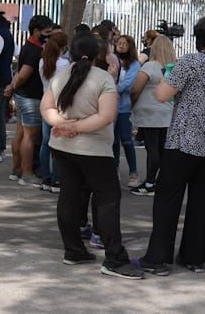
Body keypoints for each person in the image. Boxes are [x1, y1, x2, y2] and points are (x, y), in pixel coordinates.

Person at [141, 16, 205, 276]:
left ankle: (158, 258)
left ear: (198, 38)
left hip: (185, 139)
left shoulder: (189, 62)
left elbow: (162, 95)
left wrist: (170, 80)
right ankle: (194, 256)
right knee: (201, 198)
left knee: (168, 197)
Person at [41, 33, 144, 279]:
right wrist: (73, 127)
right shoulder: (103, 78)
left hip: (63, 147)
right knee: (107, 200)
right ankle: (114, 259)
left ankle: (73, 250)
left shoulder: (60, 76)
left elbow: (46, 107)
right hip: (94, 150)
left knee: (69, 197)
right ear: (99, 53)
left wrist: (62, 125)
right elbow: (107, 115)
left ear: (71, 52)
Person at [5, 15, 55, 186]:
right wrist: (13, 86)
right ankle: (26, 173)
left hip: (23, 96)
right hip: (30, 98)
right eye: (47, 32)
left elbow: (19, 73)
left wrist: (13, 87)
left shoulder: (30, 46)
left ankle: (16, 169)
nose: (49, 35)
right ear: (36, 31)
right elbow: (24, 74)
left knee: (20, 134)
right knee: (29, 137)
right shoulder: (35, 51)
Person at [129, 36, 176, 196]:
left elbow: (135, 88)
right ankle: (160, 181)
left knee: (152, 148)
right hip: (167, 112)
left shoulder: (150, 66)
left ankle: (149, 183)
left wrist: (132, 103)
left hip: (149, 112)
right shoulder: (174, 67)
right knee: (162, 148)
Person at [39, 30, 70, 192]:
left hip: (46, 103)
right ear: (63, 47)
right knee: (58, 143)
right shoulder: (64, 65)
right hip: (60, 106)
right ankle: (57, 179)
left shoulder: (42, 62)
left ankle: (45, 177)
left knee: (45, 143)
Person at [114, 34, 141, 188]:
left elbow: (127, 85)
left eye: (125, 43)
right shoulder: (112, 60)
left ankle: (133, 172)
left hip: (124, 108)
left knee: (126, 140)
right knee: (113, 141)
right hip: (110, 107)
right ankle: (114, 168)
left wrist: (109, 88)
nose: (121, 46)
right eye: (119, 43)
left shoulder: (134, 65)